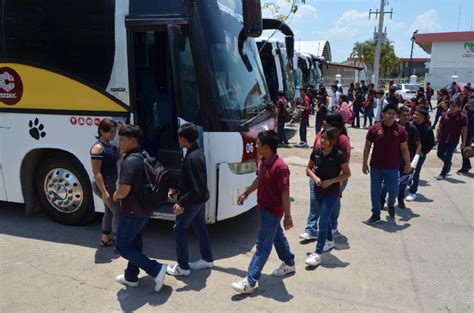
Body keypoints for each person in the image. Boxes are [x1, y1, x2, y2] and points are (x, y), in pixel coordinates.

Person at [232, 130, 295, 294]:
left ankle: (250, 281)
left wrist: (288, 216)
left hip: (273, 211)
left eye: (258, 143)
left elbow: (285, 193)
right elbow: (259, 179)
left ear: (266, 147)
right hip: (263, 208)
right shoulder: (263, 160)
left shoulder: (280, 167)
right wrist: (246, 193)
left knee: (262, 246)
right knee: (276, 236)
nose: (255, 145)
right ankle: (289, 263)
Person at [113, 124, 167, 292]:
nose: (120, 143)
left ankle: (155, 269)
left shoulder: (129, 162)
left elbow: (123, 191)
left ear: (132, 140)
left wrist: (115, 195)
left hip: (132, 211)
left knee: (122, 247)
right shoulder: (144, 154)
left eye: (122, 140)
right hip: (145, 208)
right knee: (135, 242)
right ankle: (131, 276)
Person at [166, 123, 214, 276]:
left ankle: (183, 267)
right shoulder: (196, 151)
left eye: (179, 137)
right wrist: (176, 189)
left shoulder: (192, 157)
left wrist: (181, 203)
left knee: (179, 229)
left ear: (184, 139)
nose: (178, 140)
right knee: (200, 226)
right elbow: (189, 180)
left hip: (194, 200)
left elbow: (195, 188)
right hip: (200, 199)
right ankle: (207, 259)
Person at [304, 127, 351, 267]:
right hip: (318, 191)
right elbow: (308, 169)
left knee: (323, 220)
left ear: (333, 141)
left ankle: (318, 253)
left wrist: (331, 181)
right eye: (321, 138)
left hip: (332, 193)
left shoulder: (339, 155)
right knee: (325, 219)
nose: (322, 141)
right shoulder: (316, 152)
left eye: (326, 139)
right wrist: (315, 178)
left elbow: (347, 173)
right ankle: (329, 240)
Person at [300, 113, 351, 240]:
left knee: (332, 204)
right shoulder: (320, 134)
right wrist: (313, 176)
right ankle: (311, 229)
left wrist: (338, 182)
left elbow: (345, 164)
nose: (323, 122)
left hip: (334, 179)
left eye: (326, 121)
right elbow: (313, 156)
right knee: (315, 202)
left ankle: (332, 227)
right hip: (317, 177)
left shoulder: (342, 139)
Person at [363, 105, 412, 224]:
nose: (391, 115)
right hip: (376, 166)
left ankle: (390, 204)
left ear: (396, 116)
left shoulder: (400, 130)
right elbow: (367, 146)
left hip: (393, 167)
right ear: (383, 114)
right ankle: (375, 214)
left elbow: (404, 148)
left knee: (394, 190)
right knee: (375, 191)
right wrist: (364, 163)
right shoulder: (374, 129)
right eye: (388, 113)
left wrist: (408, 164)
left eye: (393, 113)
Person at [380, 106, 420, 209]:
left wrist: (413, 162)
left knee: (403, 182)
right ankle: (381, 200)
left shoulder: (412, 129)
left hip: (405, 161)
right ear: (398, 116)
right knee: (386, 182)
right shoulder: (392, 126)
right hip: (391, 160)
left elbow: (418, 145)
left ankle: (400, 200)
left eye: (408, 115)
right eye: (404, 115)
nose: (407, 117)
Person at [90, 119, 120, 247]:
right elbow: (97, 172)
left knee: (109, 212)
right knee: (118, 212)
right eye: (111, 132)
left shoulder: (110, 146)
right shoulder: (98, 148)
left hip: (110, 183)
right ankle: (120, 243)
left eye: (115, 132)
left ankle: (105, 239)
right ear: (102, 131)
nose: (113, 135)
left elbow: (117, 157)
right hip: (105, 184)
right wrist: (104, 192)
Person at [406, 106, 435, 201]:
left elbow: (430, 144)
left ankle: (412, 192)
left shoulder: (427, 129)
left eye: (417, 115)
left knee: (415, 173)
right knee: (404, 170)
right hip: (407, 153)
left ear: (423, 117)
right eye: (414, 114)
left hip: (418, 155)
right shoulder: (409, 125)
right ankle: (405, 185)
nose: (414, 116)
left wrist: (423, 152)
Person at [436, 100, 468, 180]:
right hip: (443, 138)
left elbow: (464, 131)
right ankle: (448, 164)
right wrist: (437, 137)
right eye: (451, 106)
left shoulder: (462, 117)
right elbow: (439, 127)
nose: (452, 108)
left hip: (453, 140)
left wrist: (463, 142)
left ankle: (443, 173)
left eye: (454, 106)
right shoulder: (445, 114)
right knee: (439, 154)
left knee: (448, 156)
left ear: (458, 107)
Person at [458, 97, 474, 174]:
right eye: (471, 106)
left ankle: (466, 167)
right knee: (464, 150)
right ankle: (466, 166)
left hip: (471, 135)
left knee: (465, 150)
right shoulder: (465, 112)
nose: (472, 107)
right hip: (465, 134)